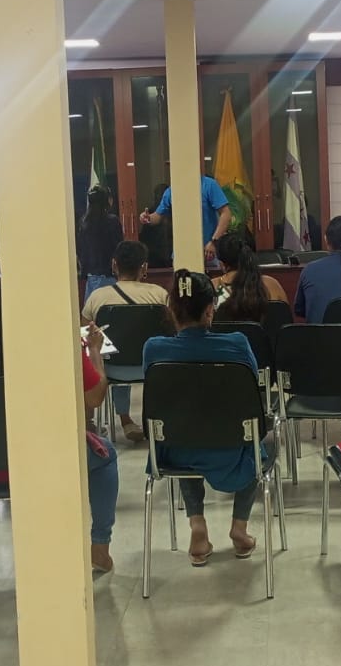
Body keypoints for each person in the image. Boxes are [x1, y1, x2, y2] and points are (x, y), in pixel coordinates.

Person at [0, 292, 118, 574]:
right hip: (48, 460)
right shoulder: (61, 338)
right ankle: (99, 546)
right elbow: (95, 397)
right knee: (106, 455)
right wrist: (95, 351)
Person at [141, 271, 265, 566]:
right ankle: (239, 528)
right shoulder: (237, 344)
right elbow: (252, 388)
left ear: (171, 310)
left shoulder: (153, 349)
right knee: (257, 444)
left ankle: (197, 525)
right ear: (210, 310)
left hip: (174, 452)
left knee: (183, 427)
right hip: (231, 450)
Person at [80, 240, 169, 443]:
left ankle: (123, 419)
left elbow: (86, 333)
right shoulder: (159, 295)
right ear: (144, 267)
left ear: (114, 264)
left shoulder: (97, 297)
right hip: (153, 367)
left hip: (113, 369)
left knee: (112, 352)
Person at [140, 173, 231, 263]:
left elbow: (226, 214)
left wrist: (214, 241)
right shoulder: (172, 190)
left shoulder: (209, 185)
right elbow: (158, 216)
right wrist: (148, 218)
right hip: (182, 252)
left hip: (209, 250)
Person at [212, 231, 286, 323]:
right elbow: (286, 321)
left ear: (222, 264)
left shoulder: (212, 287)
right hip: (266, 333)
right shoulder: (271, 285)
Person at [77, 185, 123, 299]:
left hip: (90, 278)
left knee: (92, 308)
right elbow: (119, 249)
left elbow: (81, 251)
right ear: (108, 201)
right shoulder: (112, 221)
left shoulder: (84, 223)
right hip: (109, 276)